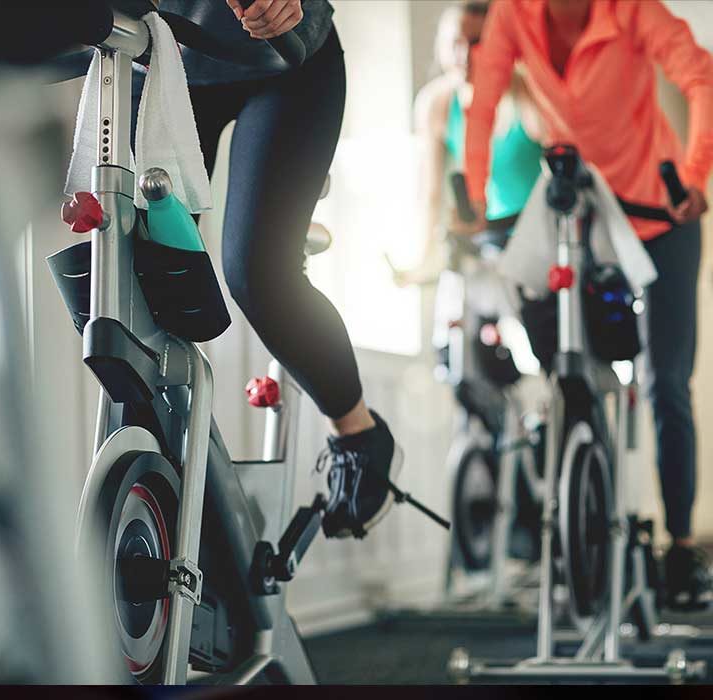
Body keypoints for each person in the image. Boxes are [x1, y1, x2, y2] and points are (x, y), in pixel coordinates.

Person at [462, 0, 713, 608]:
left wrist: (696, 174)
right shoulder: (515, 17)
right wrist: (472, 196)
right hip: (579, 213)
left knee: (665, 382)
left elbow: (697, 74)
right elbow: (485, 101)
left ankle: (680, 547)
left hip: (659, 216)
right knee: (563, 361)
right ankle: (580, 506)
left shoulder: (630, 11)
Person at [132, 0, 403, 538]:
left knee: (257, 271)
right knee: (140, 267)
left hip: (288, 58)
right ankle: (163, 453)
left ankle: (358, 434)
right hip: (163, 54)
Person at [398, 0, 544, 287]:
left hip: (534, 235)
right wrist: (424, 258)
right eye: (456, 43)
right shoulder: (436, 103)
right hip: (481, 235)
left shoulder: (524, 92)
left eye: (478, 42)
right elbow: (431, 192)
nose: (464, 55)